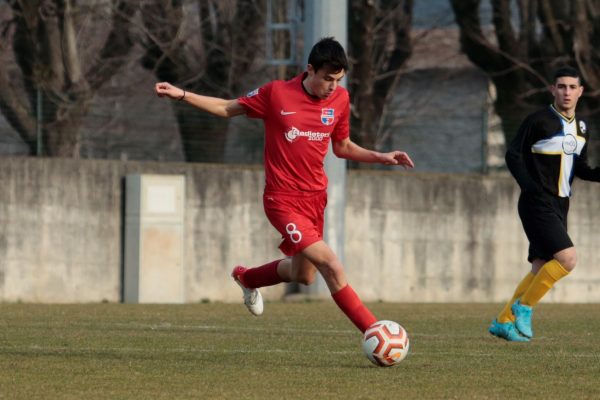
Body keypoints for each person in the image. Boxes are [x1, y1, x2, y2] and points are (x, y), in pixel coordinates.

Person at [155, 37, 414, 334]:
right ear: (309, 70)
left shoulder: (340, 99)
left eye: (338, 80)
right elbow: (227, 108)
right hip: (282, 200)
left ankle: (247, 278)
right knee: (332, 266)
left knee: (303, 275)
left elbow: (342, 147)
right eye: (327, 79)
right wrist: (181, 94)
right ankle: (376, 333)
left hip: (315, 199)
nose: (332, 86)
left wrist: (381, 157)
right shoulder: (277, 93)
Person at [489, 66, 600, 342]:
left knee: (541, 266)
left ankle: (504, 321)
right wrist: (531, 187)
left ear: (580, 91)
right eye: (561, 86)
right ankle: (523, 308)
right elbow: (513, 155)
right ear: (552, 89)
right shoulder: (538, 120)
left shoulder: (582, 127)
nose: (566, 92)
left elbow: (580, 167)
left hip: (561, 206)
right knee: (567, 259)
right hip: (536, 203)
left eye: (572, 87)